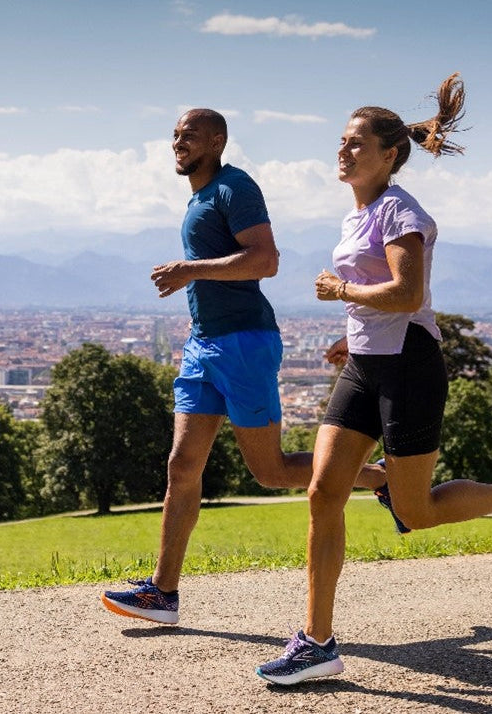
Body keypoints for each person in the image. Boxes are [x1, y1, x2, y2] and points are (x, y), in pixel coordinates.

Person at [256, 73, 492, 685]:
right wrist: (353, 334)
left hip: (410, 368)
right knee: (323, 491)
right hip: (365, 365)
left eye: (356, 143)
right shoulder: (357, 215)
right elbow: (381, 302)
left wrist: (341, 291)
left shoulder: (401, 211)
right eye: (342, 140)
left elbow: (407, 293)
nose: (343, 150)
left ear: (389, 155)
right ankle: (317, 642)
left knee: (417, 510)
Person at [100, 108, 383, 626]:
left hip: (244, 344)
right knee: (182, 466)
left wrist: (188, 269)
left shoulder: (235, 187)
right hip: (203, 343)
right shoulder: (199, 197)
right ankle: (163, 593)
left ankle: (375, 477)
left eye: (188, 135)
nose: (177, 142)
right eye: (174, 135)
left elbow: (265, 260)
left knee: (270, 471)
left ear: (217, 141)